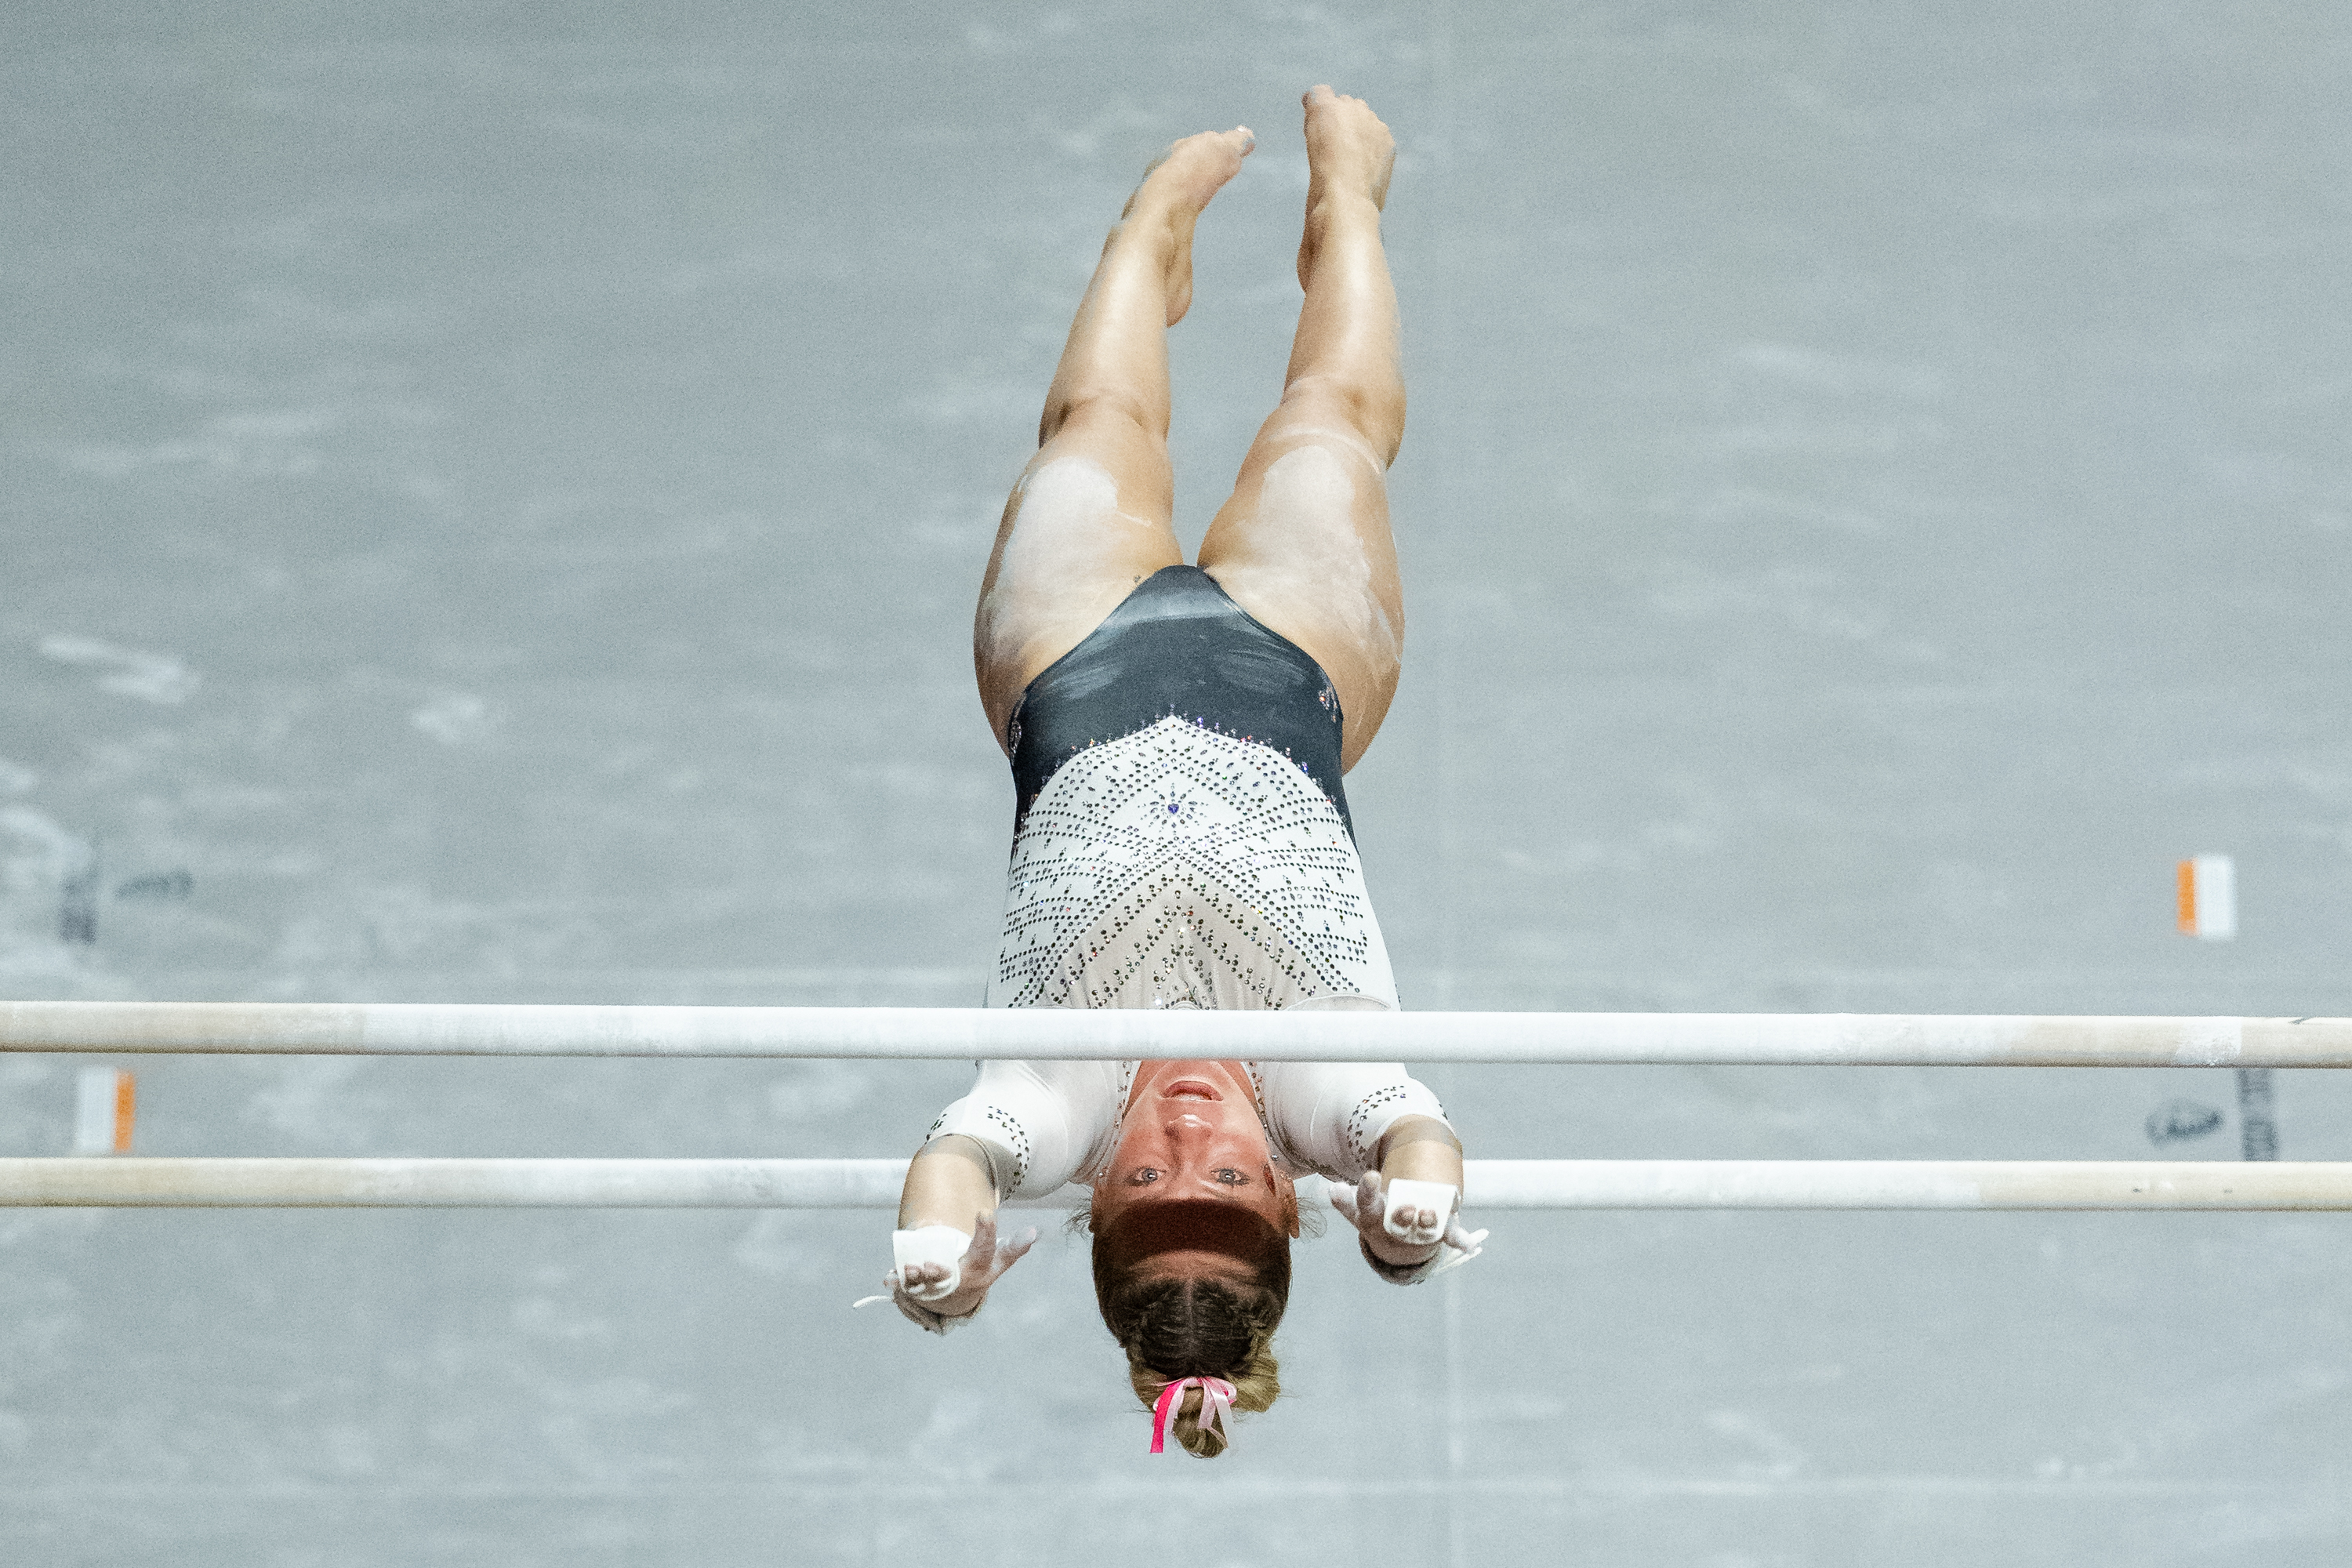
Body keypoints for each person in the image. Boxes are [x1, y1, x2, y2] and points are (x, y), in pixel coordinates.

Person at [865, 87, 1484, 1459]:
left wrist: (935, 1252)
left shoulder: (1051, 1110)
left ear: (1093, 1199)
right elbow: (1416, 1146)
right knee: (1332, 423)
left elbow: (954, 1165)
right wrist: (1410, 1219)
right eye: (1232, 1179)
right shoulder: (1324, 1095)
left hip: (1072, 669)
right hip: (1291, 669)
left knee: (1095, 421)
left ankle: (1151, 231)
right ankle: (1350, 201)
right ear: (1288, 1195)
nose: (1194, 1135)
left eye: (1151, 1178)